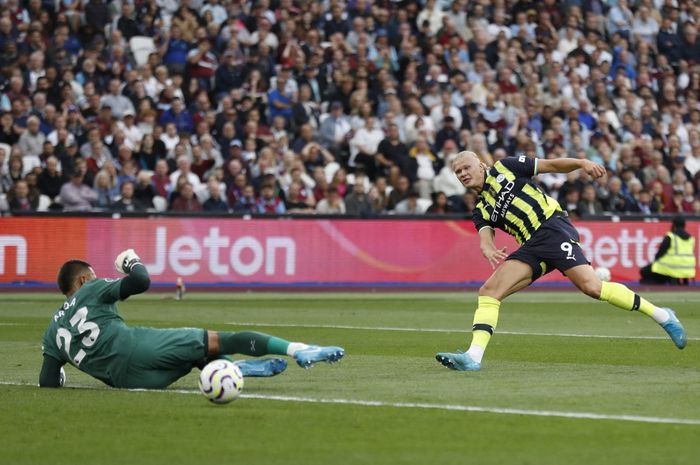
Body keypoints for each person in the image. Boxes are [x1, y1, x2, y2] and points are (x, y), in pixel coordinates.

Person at [436, 152, 687, 372]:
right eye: (458, 172)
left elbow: (553, 166)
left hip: (552, 228)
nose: (463, 174)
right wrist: (488, 249)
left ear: (480, 164)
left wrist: (581, 163)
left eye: (466, 168)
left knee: (593, 287)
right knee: (489, 292)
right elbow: (485, 238)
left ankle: (664, 316)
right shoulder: (481, 208)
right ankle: (473, 357)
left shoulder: (506, 167)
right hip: (531, 247)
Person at [39, 250, 345, 388]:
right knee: (218, 340)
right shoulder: (91, 288)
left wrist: (62, 376)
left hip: (131, 382)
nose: (96, 278)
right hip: (137, 348)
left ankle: (232, 370)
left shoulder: (52, 331)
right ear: (81, 280)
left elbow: (47, 382)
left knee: (196, 356)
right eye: (92, 275)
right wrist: (131, 261)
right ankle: (298, 349)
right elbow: (142, 281)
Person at [640, 216, 696, 285]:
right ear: (684, 225)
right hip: (688, 269)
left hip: (672, 268)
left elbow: (660, 253)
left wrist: (655, 261)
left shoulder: (671, 236)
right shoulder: (691, 239)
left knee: (644, 271)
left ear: (673, 224)